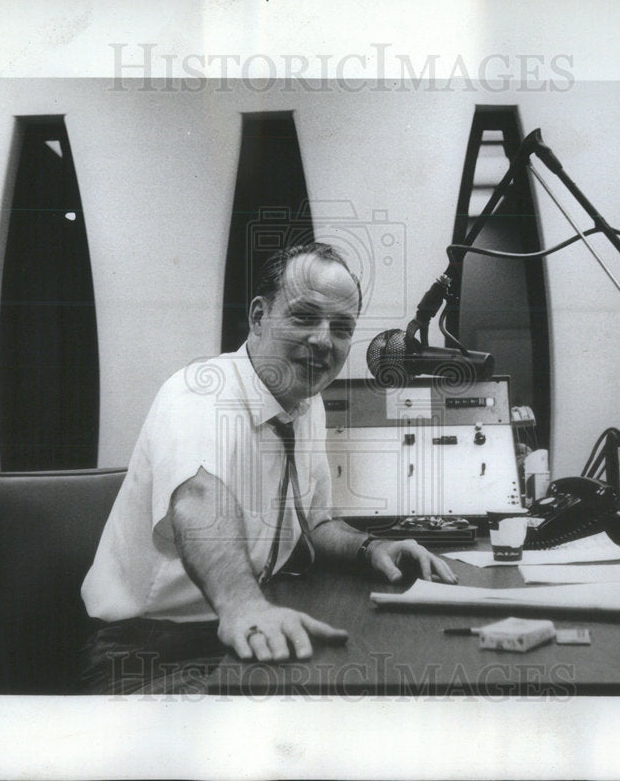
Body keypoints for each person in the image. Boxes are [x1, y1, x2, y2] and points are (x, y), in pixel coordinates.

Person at [80, 242, 457, 694]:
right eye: (304, 317)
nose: (323, 340)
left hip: (243, 629)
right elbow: (199, 501)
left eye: (341, 327)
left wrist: (370, 547)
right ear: (258, 317)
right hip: (150, 655)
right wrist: (242, 605)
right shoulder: (202, 393)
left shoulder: (305, 403)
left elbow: (315, 523)